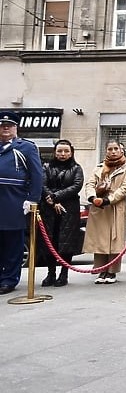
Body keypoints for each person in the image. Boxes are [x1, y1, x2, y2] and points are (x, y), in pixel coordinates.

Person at [0, 111, 43, 295]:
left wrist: (33, 199)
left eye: (9, 126)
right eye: (2, 126)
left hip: (13, 200)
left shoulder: (25, 147)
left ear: (16, 128)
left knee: (12, 243)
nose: (6, 129)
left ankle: (9, 279)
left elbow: (36, 175)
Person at [83, 139, 126, 284]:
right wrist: (93, 197)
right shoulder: (99, 167)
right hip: (99, 207)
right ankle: (101, 270)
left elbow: (125, 188)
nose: (112, 151)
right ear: (106, 150)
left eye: (115, 149)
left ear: (121, 150)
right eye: (110, 149)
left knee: (114, 239)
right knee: (100, 239)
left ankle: (112, 272)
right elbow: (90, 184)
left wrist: (108, 200)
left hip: (115, 206)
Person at [39, 139, 84, 287]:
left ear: (71, 153)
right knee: (49, 242)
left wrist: (56, 197)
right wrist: (52, 200)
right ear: (54, 152)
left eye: (66, 151)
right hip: (48, 209)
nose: (63, 154)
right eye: (59, 151)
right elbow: (42, 184)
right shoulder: (46, 167)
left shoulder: (76, 168)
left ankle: (63, 274)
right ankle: (50, 273)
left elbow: (76, 186)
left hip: (69, 209)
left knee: (67, 243)